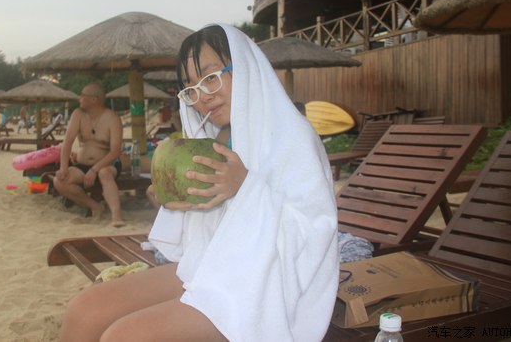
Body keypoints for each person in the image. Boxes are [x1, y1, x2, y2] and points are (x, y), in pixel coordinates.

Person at [60, 25, 339, 341]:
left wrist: (245, 186)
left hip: (263, 288)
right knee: (84, 311)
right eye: (190, 88)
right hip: (209, 269)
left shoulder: (292, 138)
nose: (202, 96)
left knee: (123, 338)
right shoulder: (215, 139)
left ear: (247, 67)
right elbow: (207, 231)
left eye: (211, 78)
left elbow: (314, 235)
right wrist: (174, 202)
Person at [54, 82, 125, 226]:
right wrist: (63, 168)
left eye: (83, 95)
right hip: (83, 165)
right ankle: (95, 206)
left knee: (104, 174)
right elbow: (67, 142)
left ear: (94, 99)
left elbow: (115, 151)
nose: (79, 98)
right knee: (59, 181)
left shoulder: (112, 118)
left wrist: (95, 169)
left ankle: (116, 215)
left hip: (107, 164)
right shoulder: (78, 115)